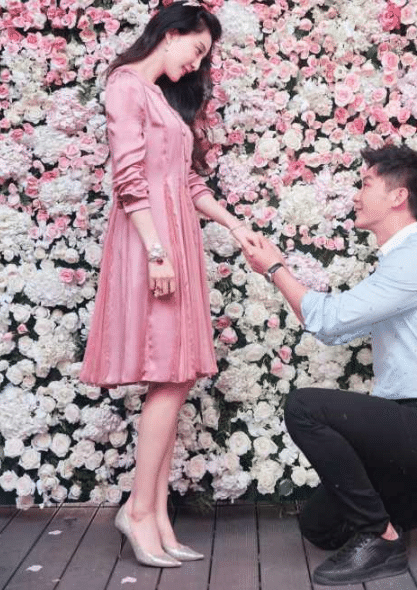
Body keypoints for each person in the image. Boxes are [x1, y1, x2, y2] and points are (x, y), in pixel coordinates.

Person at [244, 144, 417, 586]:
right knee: (322, 526)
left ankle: (382, 539)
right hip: (408, 427)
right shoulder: (398, 260)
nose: (356, 196)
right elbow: (333, 329)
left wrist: (275, 267)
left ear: (398, 196)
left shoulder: (415, 258)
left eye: (365, 184)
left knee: (304, 407)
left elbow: (328, 320)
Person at [80, 1, 261, 568]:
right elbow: (129, 178)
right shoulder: (126, 86)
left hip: (175, 240)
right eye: (197, 49)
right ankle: (138, 512)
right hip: (150, 243)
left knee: (176, 376)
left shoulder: (160, 98)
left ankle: (154, 514)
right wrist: (157, 252)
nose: (197, 64)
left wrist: (234, 225)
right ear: (172, 32)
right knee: (168, 373)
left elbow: (185, 181)